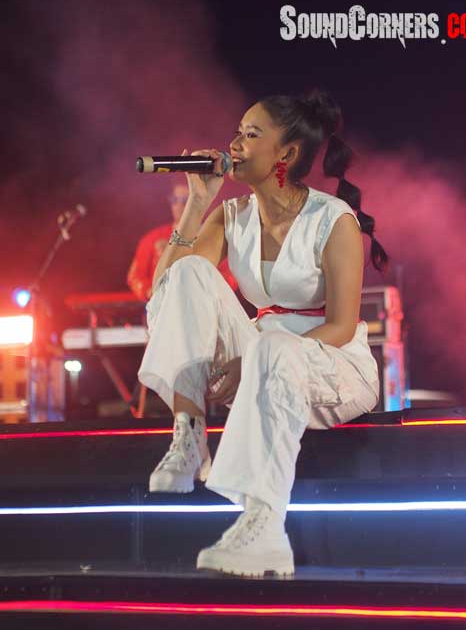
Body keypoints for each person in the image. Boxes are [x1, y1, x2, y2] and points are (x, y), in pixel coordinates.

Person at [138, 88, 389, 578]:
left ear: (286, 154)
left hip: (332, 362)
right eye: (237, 132)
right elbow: (163, 295)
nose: (234, 144)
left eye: (251, 135)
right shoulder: (232, 215)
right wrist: (197, 202)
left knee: (272, 348)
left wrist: (257, 359)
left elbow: (341, 326)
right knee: (188, 274)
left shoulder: (332, 219)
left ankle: (265, 526)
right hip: (261, 353)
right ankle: (189, 432)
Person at [127, 180, 238, 301]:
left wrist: (206, 294)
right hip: (163, 306)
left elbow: (231, 276)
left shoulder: (214, 236)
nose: (179, 206)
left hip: (202, 305)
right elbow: (135, 276)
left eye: (185, 200)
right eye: (175, 200)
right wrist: (151, 292)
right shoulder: (154, 238)